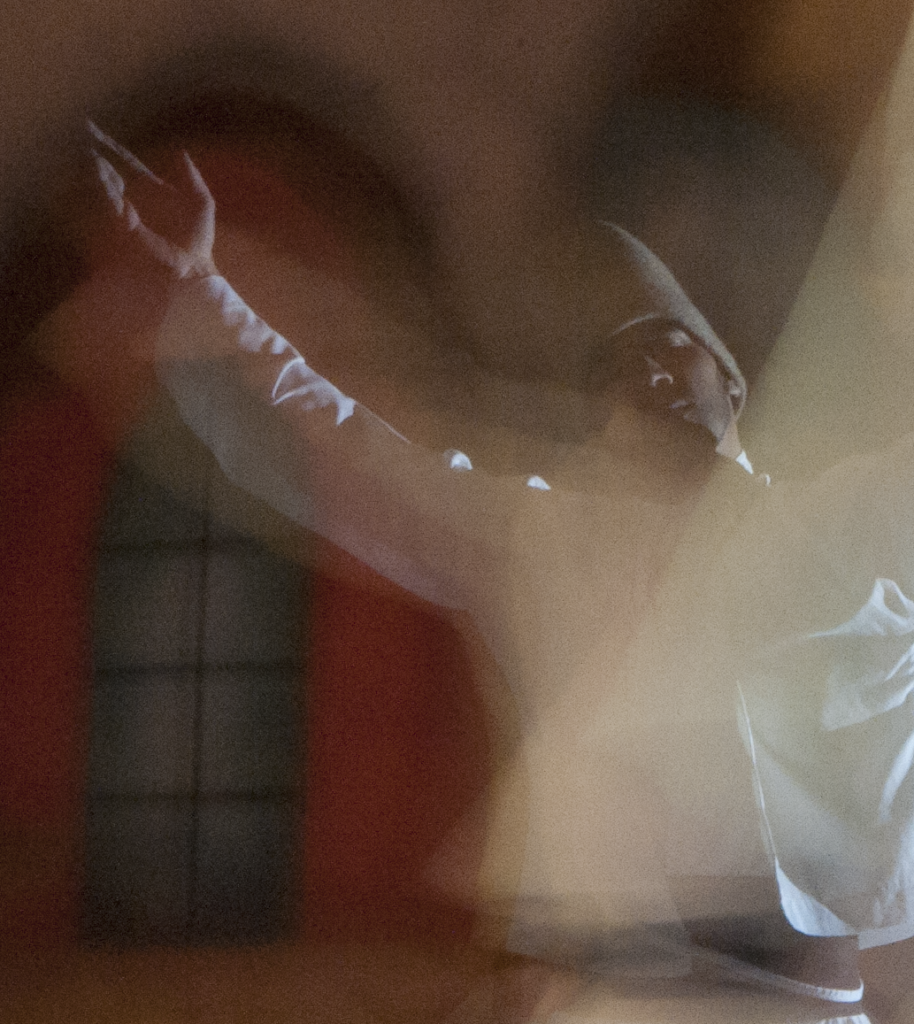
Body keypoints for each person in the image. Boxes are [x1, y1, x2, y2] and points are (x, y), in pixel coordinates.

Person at [86, 123, 912, 1007]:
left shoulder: (830, 522)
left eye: (670, 343)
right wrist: (202, 287)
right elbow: (339, 449)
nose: (648, 372)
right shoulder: (540, 538)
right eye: (617, 364)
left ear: (733, 379)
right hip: (603, 994)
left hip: (788, 1005)